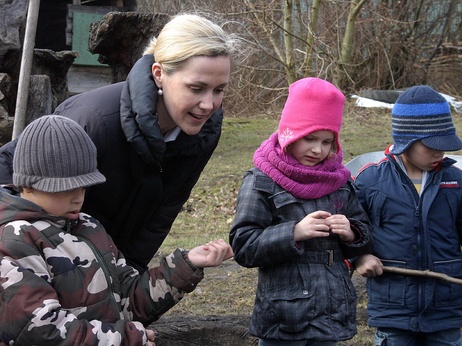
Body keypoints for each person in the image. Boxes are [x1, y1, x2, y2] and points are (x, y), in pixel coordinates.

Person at [0, 13, 241, 273]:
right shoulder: (93, 122)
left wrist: (127, 279)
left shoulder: (204, 132)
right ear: (159, 74)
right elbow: (36, 202)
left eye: (219, 90)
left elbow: (162, 213)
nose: (208, 105)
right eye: (196, 88)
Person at [0, 115, 233, 345]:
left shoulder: (88, 227)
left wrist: (187, 264)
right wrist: (126, 340)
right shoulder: (15, 241)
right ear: (28, 184)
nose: (78, 199)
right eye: (65, 188)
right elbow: (40, 331)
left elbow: (129, 299)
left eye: (83, 186)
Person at [229, 77, 374, 346]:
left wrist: (352, 234)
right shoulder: (261, 180)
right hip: (284, 319)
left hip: (331, 314)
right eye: (309, 138)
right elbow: (244, 246)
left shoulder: (339, 180)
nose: (318, 150)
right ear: (290, 133)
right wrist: (293, 233)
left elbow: (364, 234)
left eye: (327, 141)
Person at [352, 85, 462, 346]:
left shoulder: (456, 181)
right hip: (393, 308)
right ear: (406, 140)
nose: (440, 152)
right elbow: (352, 226)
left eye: (445, 144)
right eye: (432, 145)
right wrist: (358, 256)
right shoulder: (370, 180)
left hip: (446, 309)